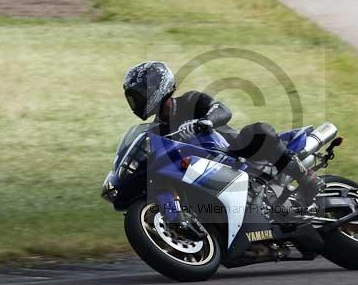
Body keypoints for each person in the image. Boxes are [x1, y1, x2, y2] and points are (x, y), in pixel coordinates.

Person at [122, 61, 325, 206]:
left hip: (234, 152)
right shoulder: (156, 131)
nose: (136, 101)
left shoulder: (190, 101)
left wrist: (206, 121)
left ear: (156, 87)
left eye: (139, 94)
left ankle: (306, 178)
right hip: (200, 172)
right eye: (133, 98)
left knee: (259, 130)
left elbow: (223, 110)